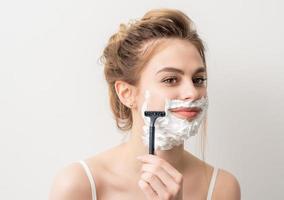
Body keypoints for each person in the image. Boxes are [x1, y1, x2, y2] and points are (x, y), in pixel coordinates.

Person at [49, 8, 241, 200]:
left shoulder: (221, 187)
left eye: (198, 79)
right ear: (127, 94)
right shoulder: (78, 185)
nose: (192, 92)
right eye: (170, 79)